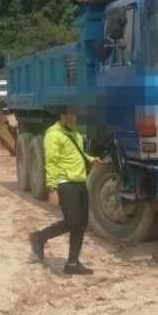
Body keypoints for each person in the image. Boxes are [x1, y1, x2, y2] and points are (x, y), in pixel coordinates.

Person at [28, 106, 102, 275]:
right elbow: (51, 162)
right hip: (65, 182)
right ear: (63, 116)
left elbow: (76, 154)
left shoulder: (75, 134)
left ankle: (72, 263)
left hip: (79, 181)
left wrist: (91, 159)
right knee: (72, 220)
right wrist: (52, 188)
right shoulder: (53, 135)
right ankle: (39, 237)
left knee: (81, 224)